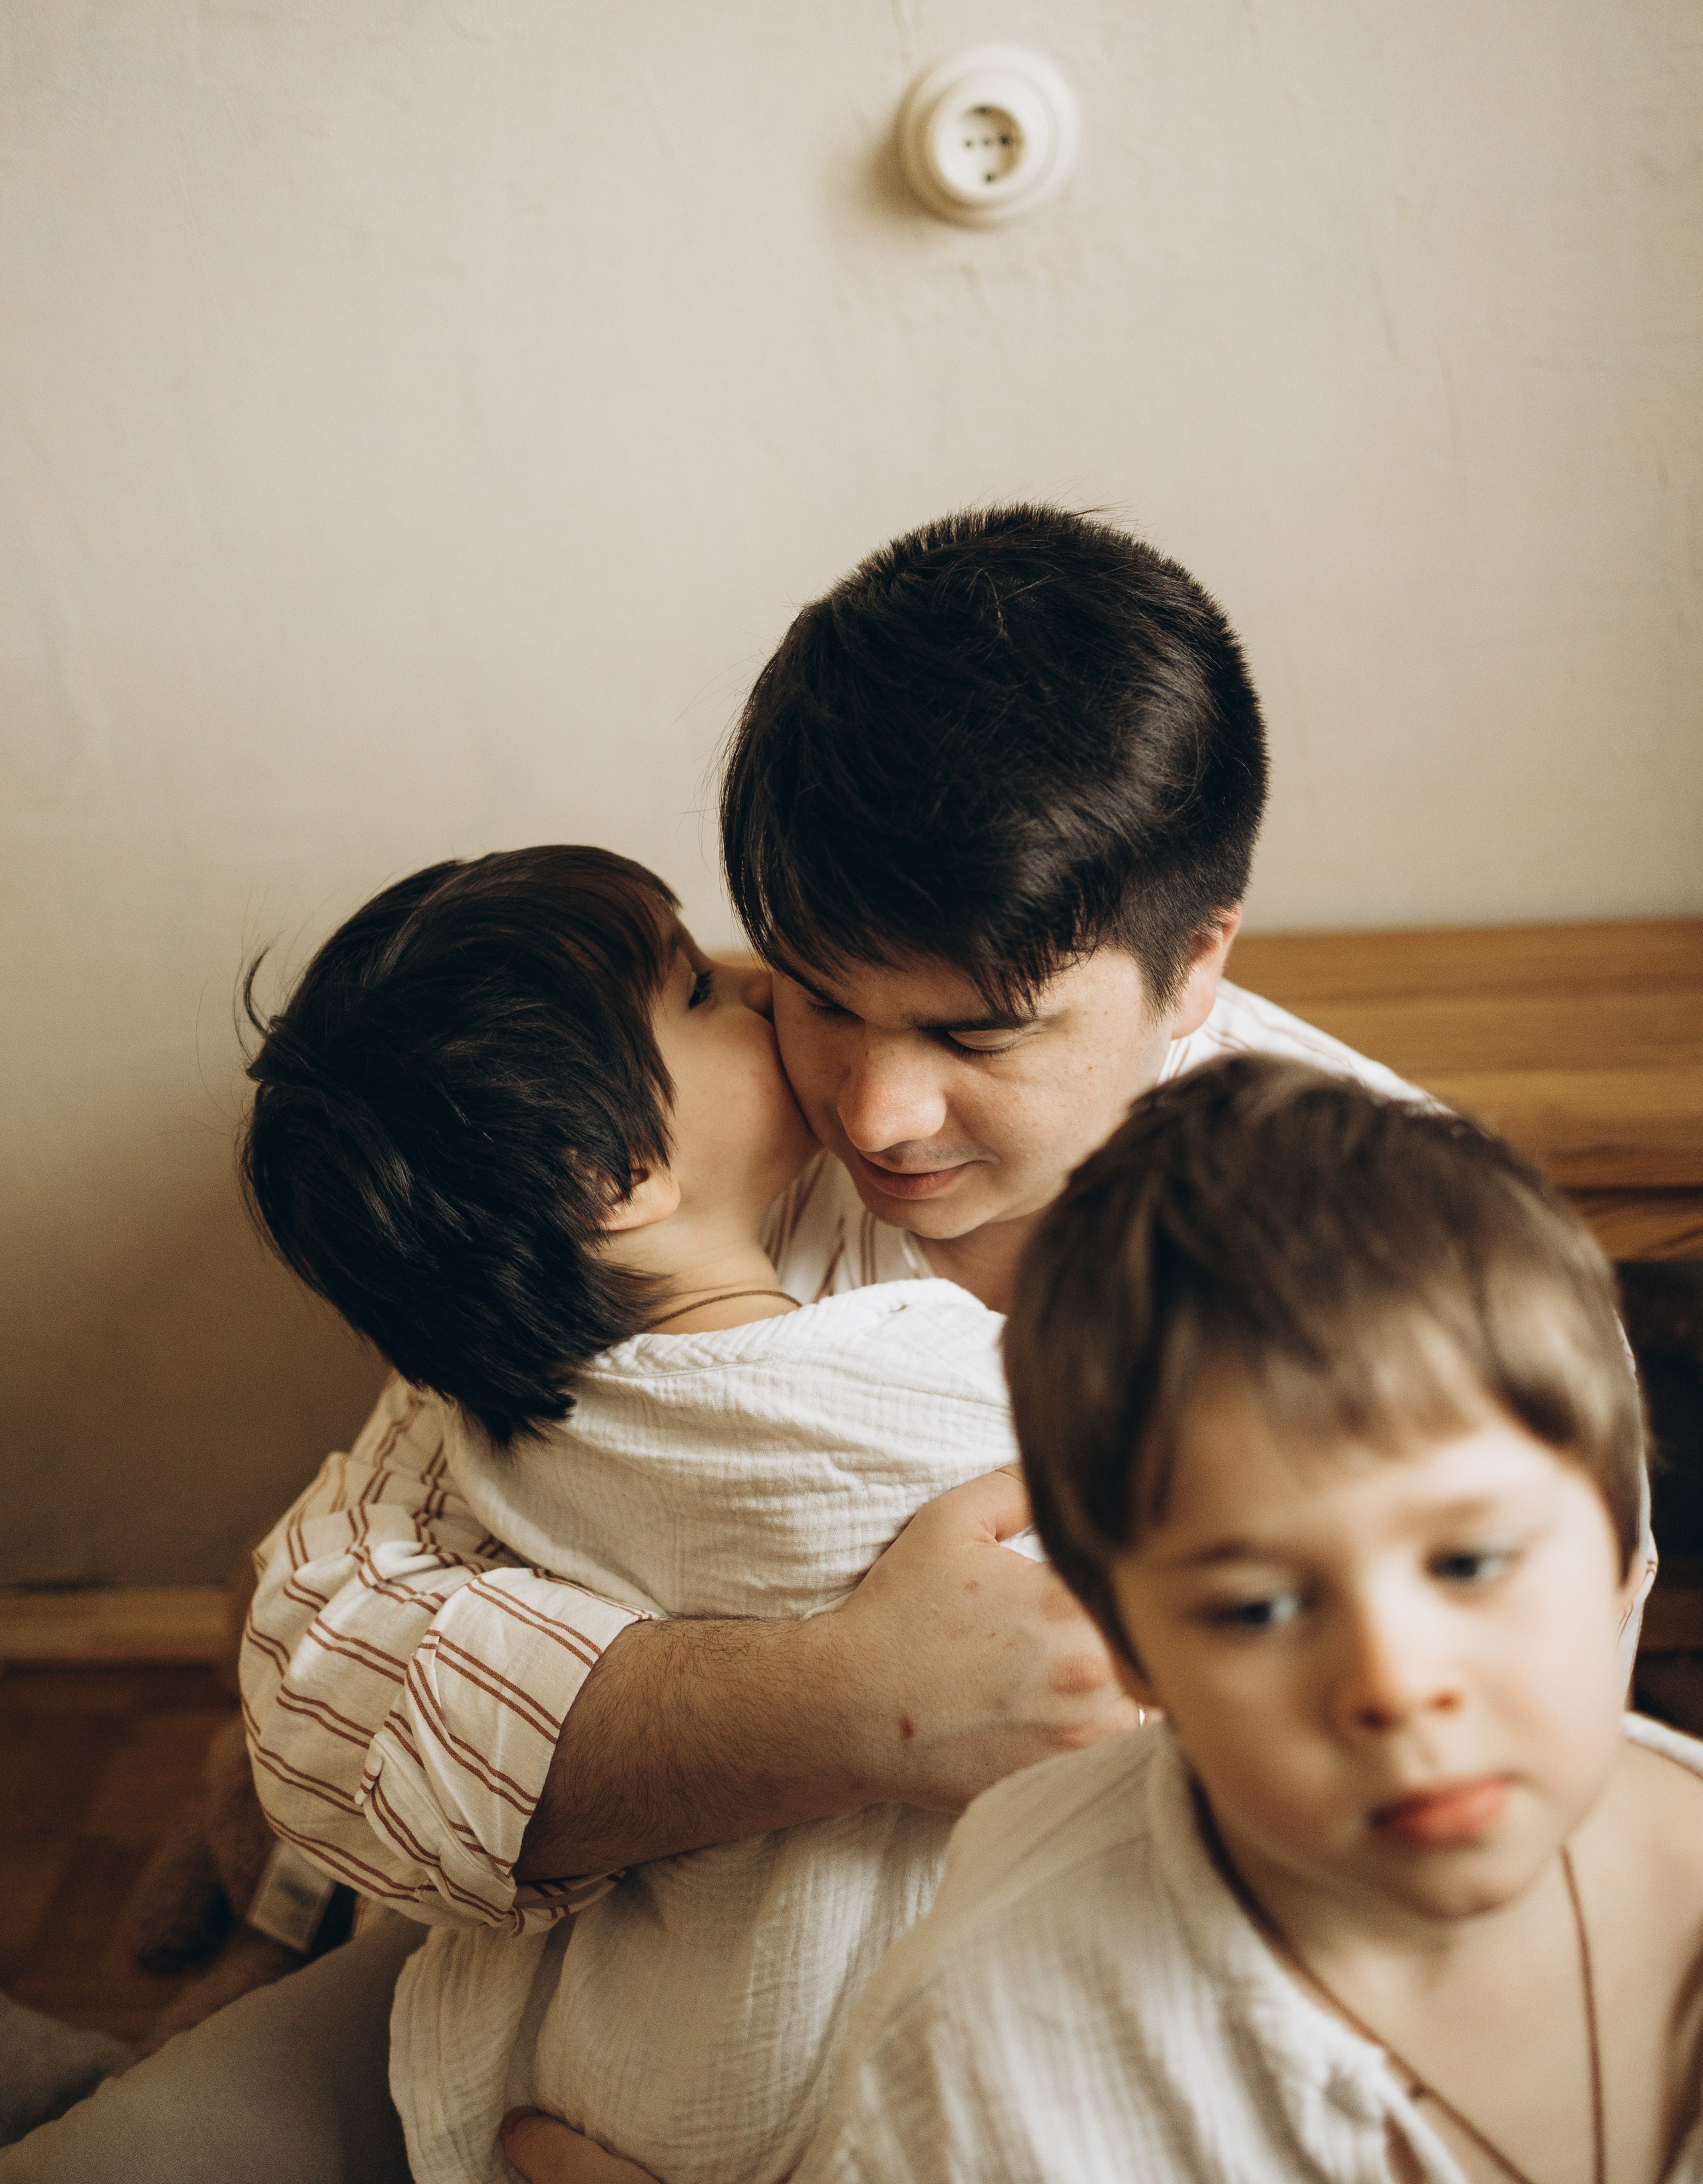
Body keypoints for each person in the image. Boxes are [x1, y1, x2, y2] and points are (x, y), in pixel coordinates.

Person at [0, 508, 1418, 2181]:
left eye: (975, 1033)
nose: (877, 1113)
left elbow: (1446, 1771)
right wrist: (842, 1702)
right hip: (612, 1994)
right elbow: (318, 1667)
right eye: (811, 990)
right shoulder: (662, 1205)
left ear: (1194, 965)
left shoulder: (1394, 1254)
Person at [239, 838, 1039, 2184]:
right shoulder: (862, 1389)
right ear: (610, 1174)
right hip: (800, 2069)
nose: (753, 985)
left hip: (607, 2067)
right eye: (694, 994)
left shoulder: (505, 1424)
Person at [780, 1058, 1690, 2184]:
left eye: (1469, 1561)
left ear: (1617, 1549)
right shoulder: (991, 2044)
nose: (1395, 1684)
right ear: (1126, 1642)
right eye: (1256, 1609)